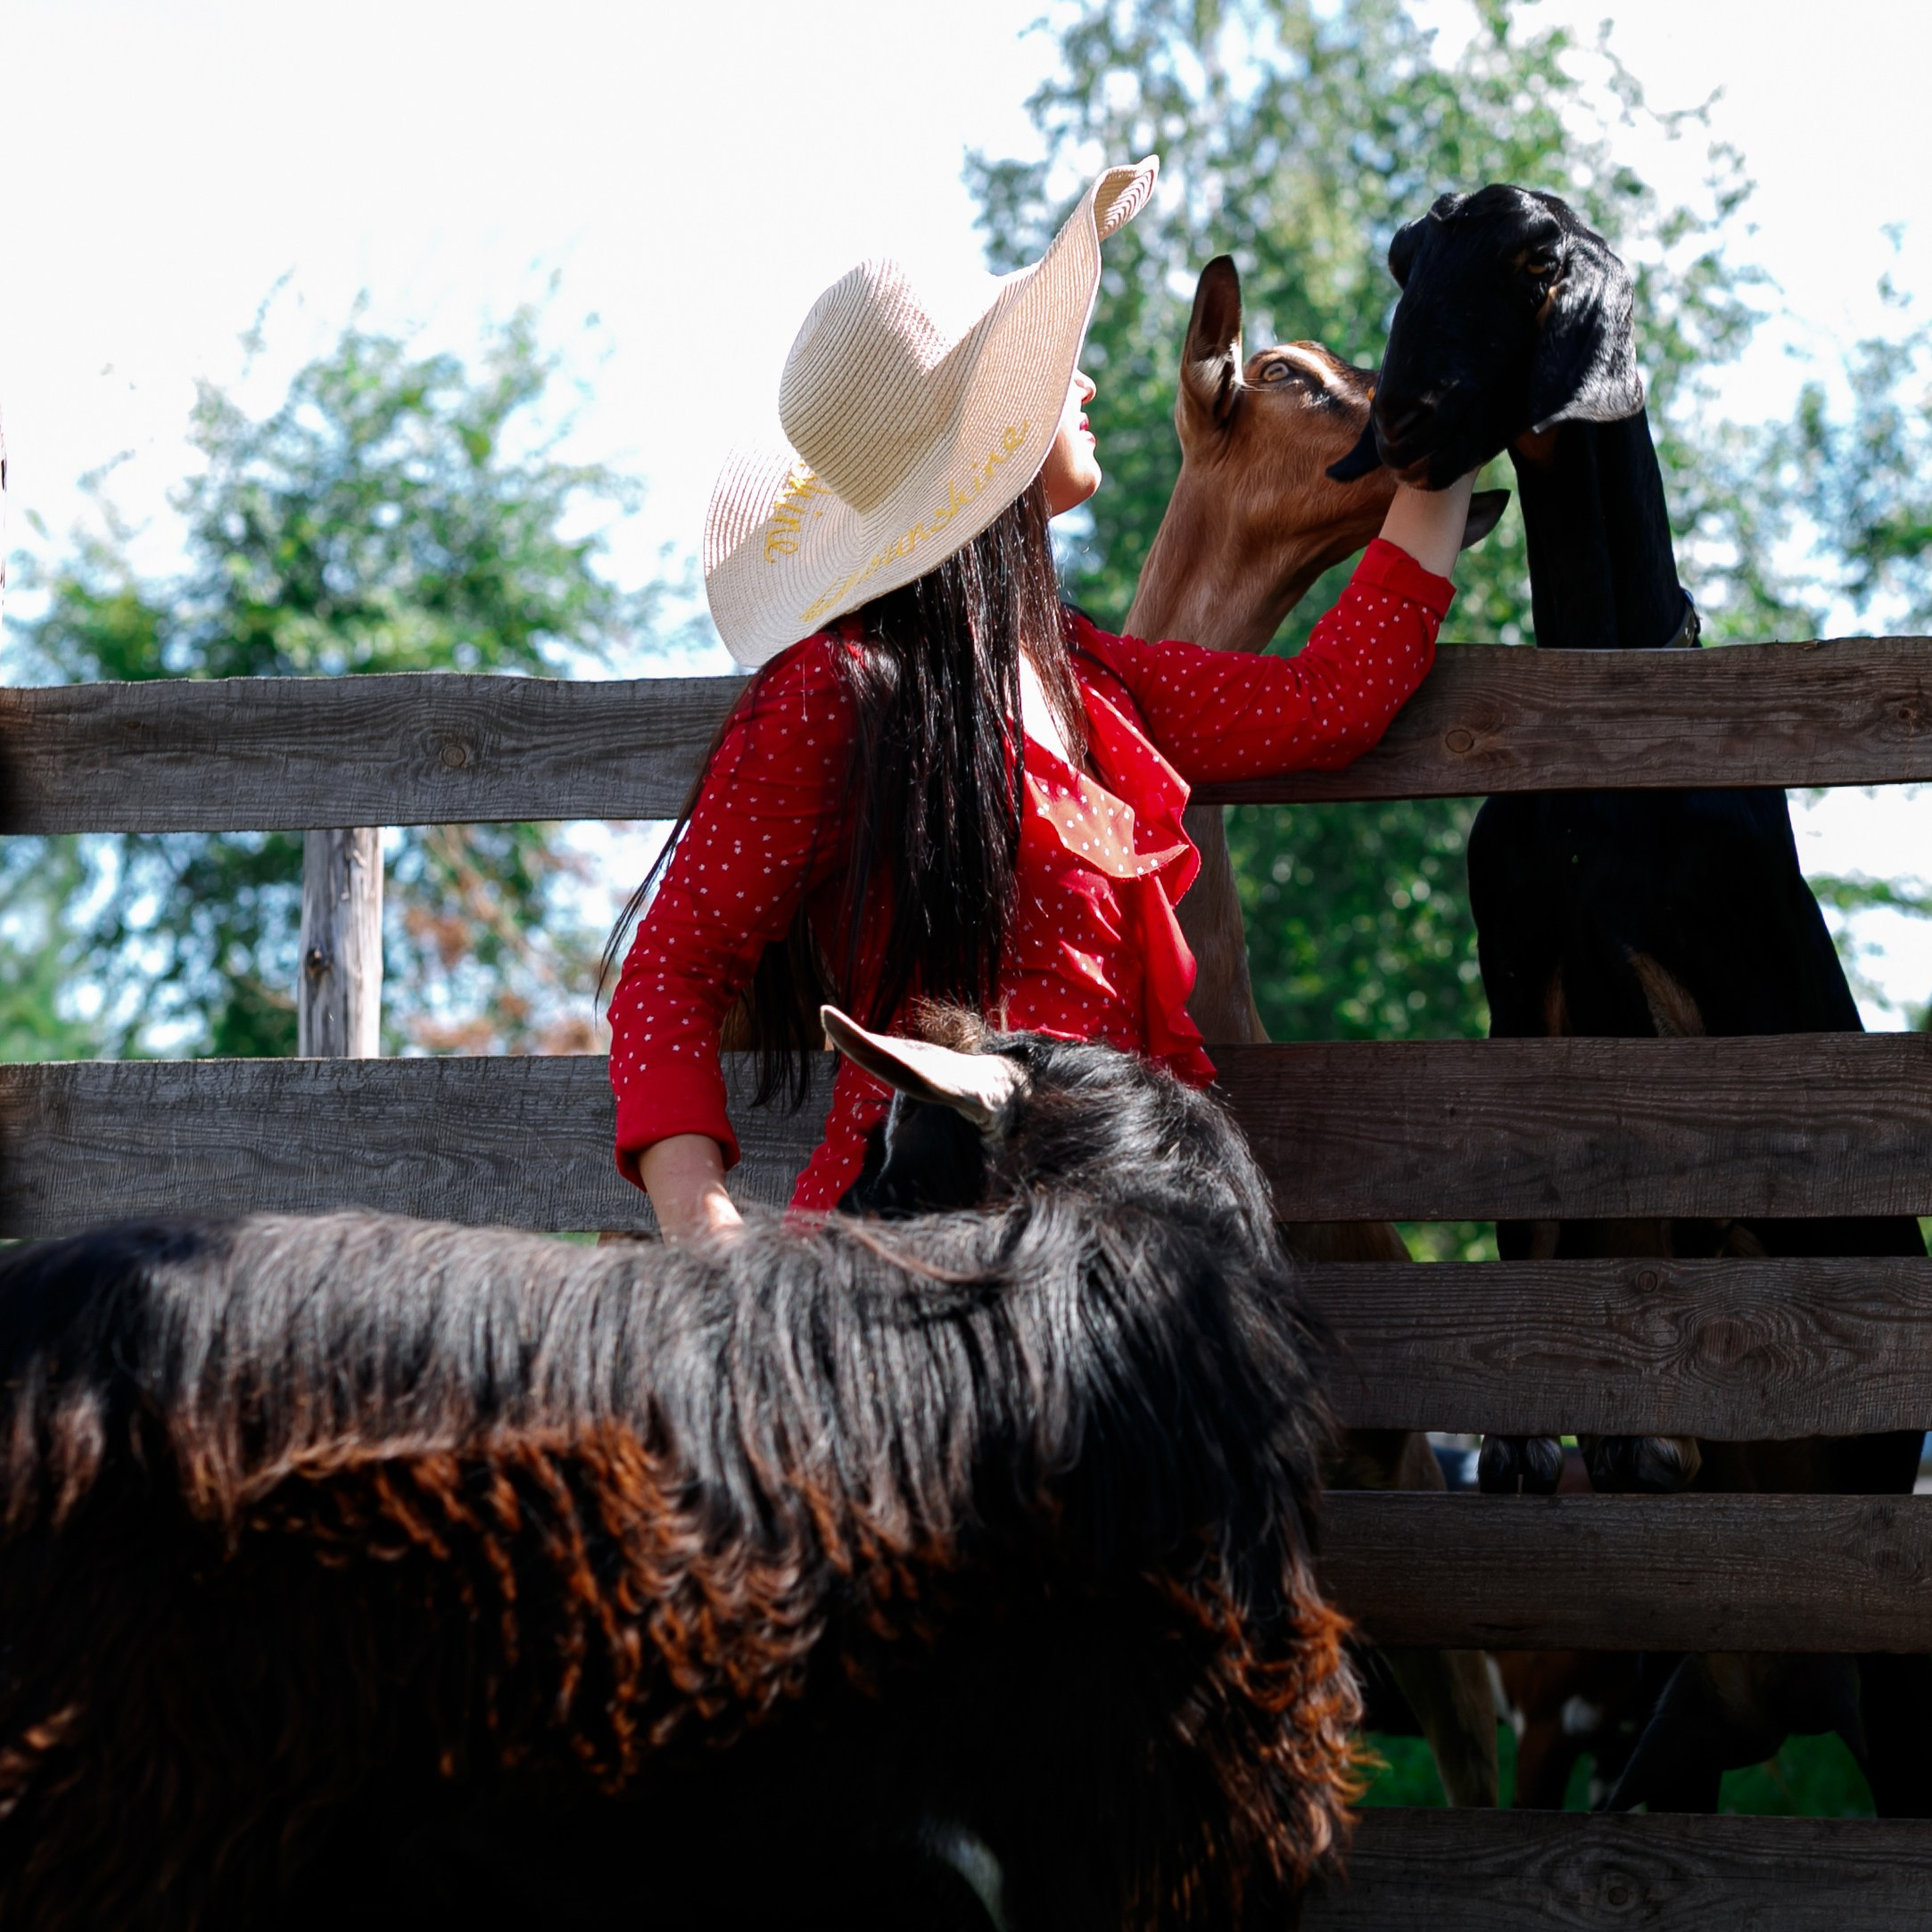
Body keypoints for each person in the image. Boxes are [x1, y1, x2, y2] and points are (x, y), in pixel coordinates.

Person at [605, 156, 1477, 1240]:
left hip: (1119, 1230)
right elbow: (672, 974)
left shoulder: (1095, 678)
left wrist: (1449, 444)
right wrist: (709, 1237)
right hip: (921, 1235)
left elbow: (1334, 700)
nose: (1087, 384)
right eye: (1053, 366)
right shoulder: (834, 694)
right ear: (993, 430)